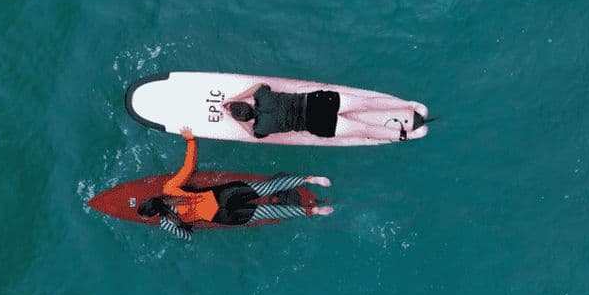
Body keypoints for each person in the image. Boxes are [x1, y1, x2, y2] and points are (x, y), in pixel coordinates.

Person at [137, 127, 333, 240]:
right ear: (152, 198)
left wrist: (169, 224)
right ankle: (310, 179)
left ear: (155, 214)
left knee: (267, 212)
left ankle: (314, 212)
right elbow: (188, 168)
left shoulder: (167, 223)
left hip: (223, 215)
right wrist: (190, 140)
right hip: (223, 195)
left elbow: (188, 237)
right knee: (267, 188)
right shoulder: (169, 190)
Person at [223, 82, 429, 143]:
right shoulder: (263, 96)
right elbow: (260, 85)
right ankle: (410, 105)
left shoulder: (260, 128)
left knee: (365, 129)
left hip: (319, 125)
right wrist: (236, 100)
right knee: (366, 103)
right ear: (249, 104)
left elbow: (253, 135)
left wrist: (236, 119)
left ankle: (407, 134)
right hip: (318, 103)